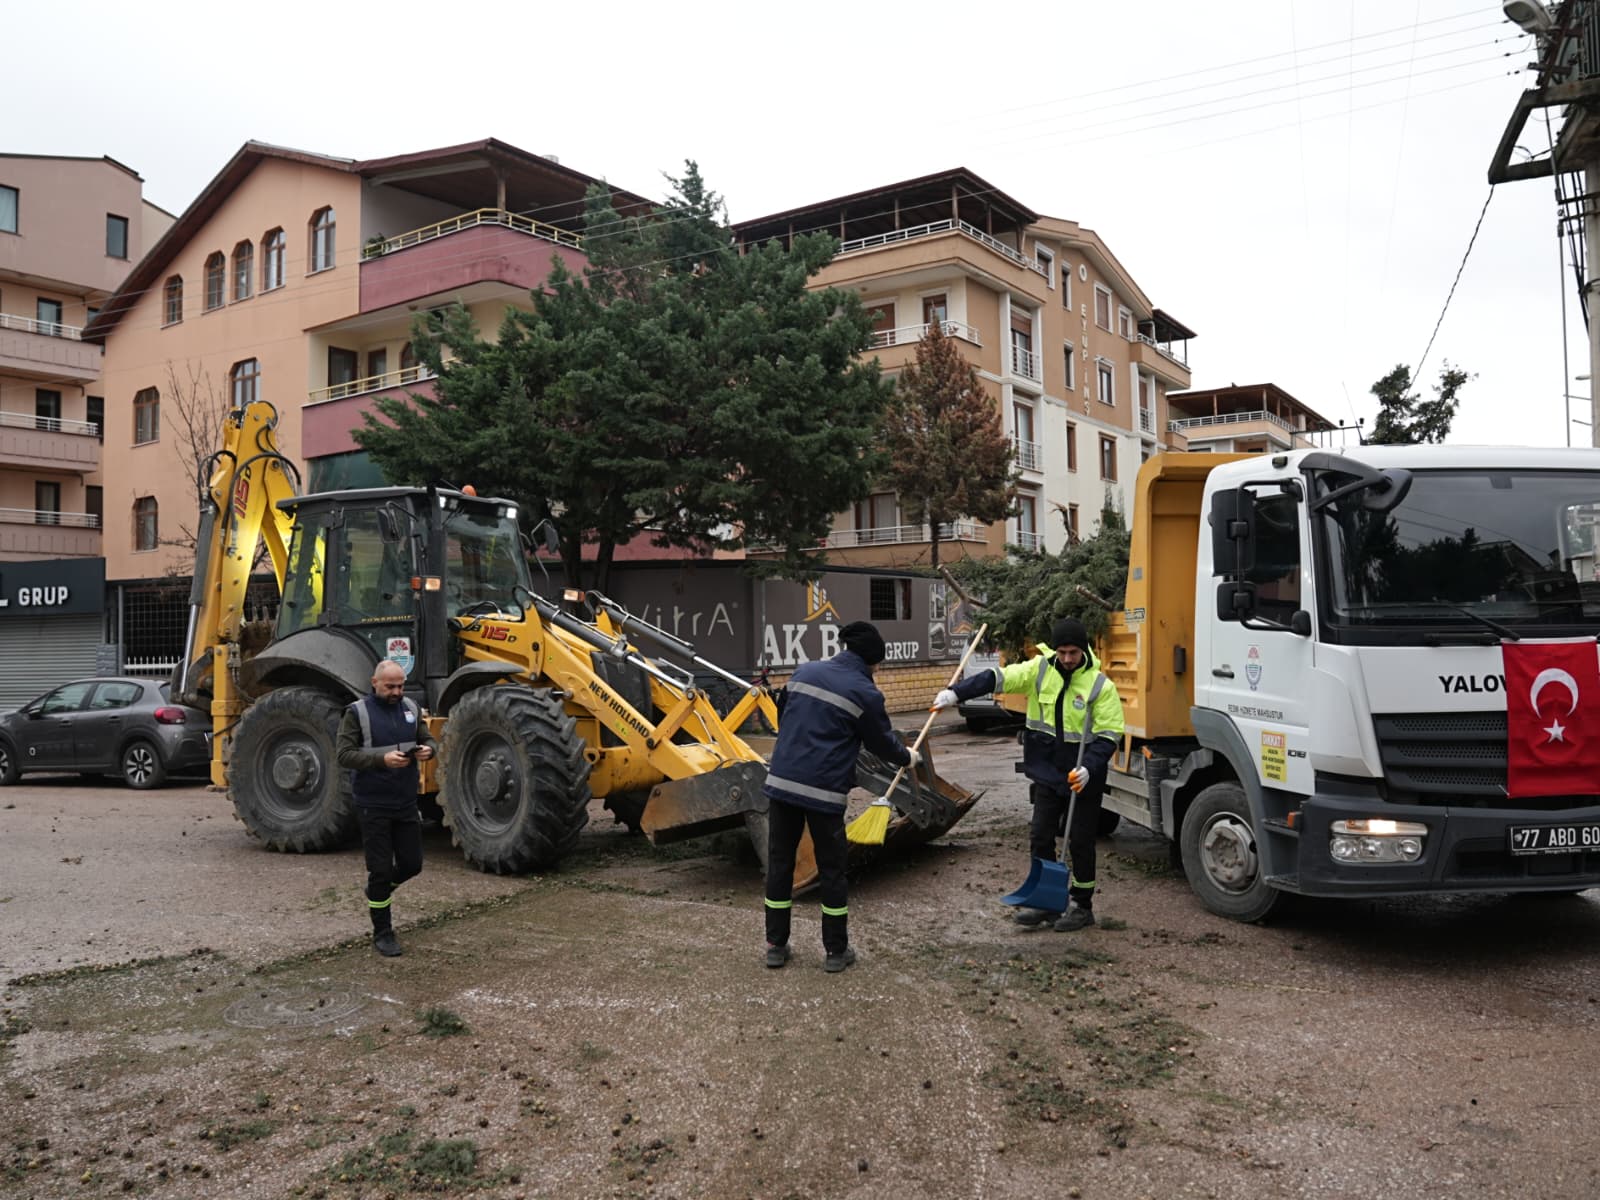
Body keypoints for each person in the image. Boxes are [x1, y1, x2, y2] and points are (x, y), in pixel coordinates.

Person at [934, 618, 1124, 932]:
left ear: (1083, 650)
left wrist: (1090, 767)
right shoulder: (1038, 670)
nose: (1066, 658)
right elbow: (997, 677)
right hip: (1048, 772)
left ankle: (1081, 905)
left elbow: (1109, 734)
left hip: (1082, 777)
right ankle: (1046, 901)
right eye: (1062, 652)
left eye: (1073, 652)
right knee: (1040, 836)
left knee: (1080, 842)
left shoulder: (1100, 685)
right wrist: (956, 693)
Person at [762, 621, 919, 972]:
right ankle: (835, 952)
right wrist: (908, 758)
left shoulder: (805, 671)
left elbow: (783, 714)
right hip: (823, 794)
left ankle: (775, 945)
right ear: (871, 661)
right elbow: (881, 743)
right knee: (832, 869)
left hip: (783, 783)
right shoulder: (865, 692)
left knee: (780, 863)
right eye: (878, 664)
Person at [336, 659, 437, 957]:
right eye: (390, 686)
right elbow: (343, 754)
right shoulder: (357, 713)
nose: (396, 691)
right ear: (374, 682)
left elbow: (427, 737)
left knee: (412, 864)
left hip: (405, 801)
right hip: (372, 803)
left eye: (401, 685)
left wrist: (431, 749)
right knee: (379, 871)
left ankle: (377, 892)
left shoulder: (410, 708)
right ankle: (383, 933)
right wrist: (382, 759)